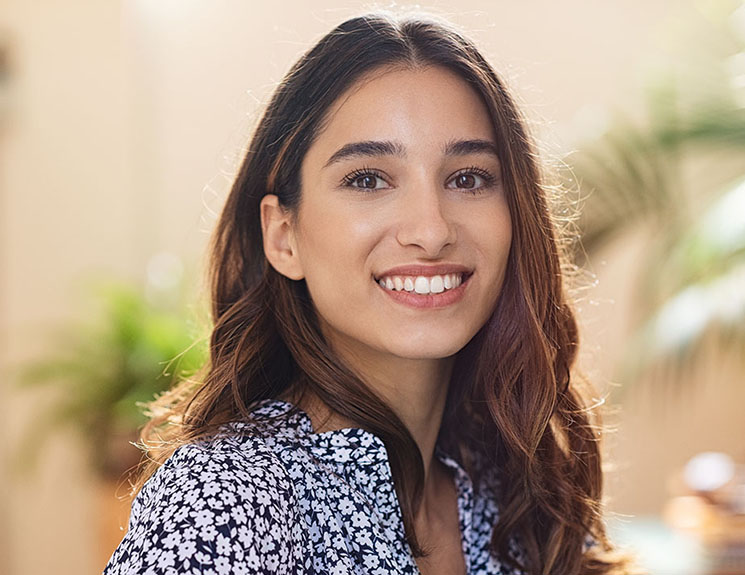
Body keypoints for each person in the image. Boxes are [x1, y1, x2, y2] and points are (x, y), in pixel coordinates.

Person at [104, 11, 632, 575]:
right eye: (368, 179)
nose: (431, 230)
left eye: (469, 178)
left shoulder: (514, 485)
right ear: (284, 237)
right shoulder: (222, 505)